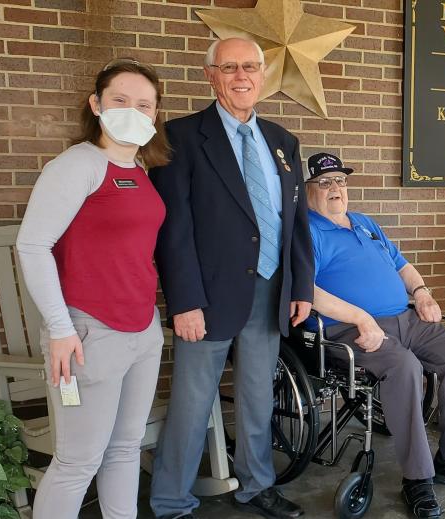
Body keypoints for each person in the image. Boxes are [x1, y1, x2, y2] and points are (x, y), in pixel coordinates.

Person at [148, 37, 314, 519]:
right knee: (193, 401)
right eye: (229, 67)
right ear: (210, 75)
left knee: (259, 394)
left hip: (270, 288)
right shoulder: (179, 137)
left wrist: (300, 287)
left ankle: (256, 486)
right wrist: (184, 301)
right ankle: (171, 501)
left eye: (250, 67)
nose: (241, 76)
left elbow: (295, 223)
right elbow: (172, 229)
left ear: (263, 75)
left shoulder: (283, 141)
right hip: (206, 293)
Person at [303, 152, 445, 519]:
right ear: (308, 190)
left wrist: (422, 292)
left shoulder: (365, 223)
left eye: (341, 181)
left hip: (404, 320)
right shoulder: (308, 231)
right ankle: (418, 479)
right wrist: (361, 318)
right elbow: (308, 292)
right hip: (350, 330)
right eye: (325, 182)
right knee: (405, 367)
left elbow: (403, 266)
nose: (336, 189)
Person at [16, 58, 169, 519]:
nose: (132, 111)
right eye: (120, 100)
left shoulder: (141, 168)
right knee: (77, 461)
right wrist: (60, 329)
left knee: (126, 448)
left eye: (144, 104)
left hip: (143, 330)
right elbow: (32, 245)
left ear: (155, 114)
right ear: (96, 104)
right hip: (86, 333)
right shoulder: (77, 165)